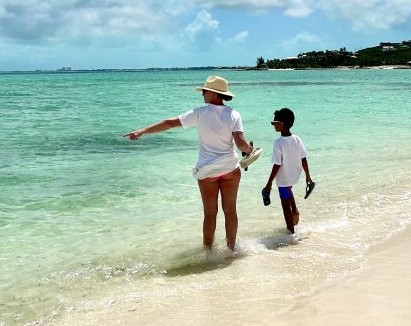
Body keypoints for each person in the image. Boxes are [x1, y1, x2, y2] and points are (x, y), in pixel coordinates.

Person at [124, 75, 254, 251]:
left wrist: (142, 131)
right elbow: (241, 144)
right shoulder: (233, 114)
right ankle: (231, 250)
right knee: (230, 210)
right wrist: (250, 150)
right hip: (230, 169)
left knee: (210, 214)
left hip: (207, 172)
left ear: (214, 94)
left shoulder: (199, 113)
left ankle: (208, 253)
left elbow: (170, 123)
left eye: (205, 91)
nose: (202, 94)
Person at [262, 107, 314, 235]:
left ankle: (291, 233)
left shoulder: (278, 142)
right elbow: (303, 158)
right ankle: (295, 211)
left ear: (281, 124)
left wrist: (269, 183)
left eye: (274, 123)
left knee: (285, 207)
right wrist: (308, 176)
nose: (273, 125)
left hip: (284, 179)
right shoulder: (297, 138)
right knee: (288, 191)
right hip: (294, 175)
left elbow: (277, 165)